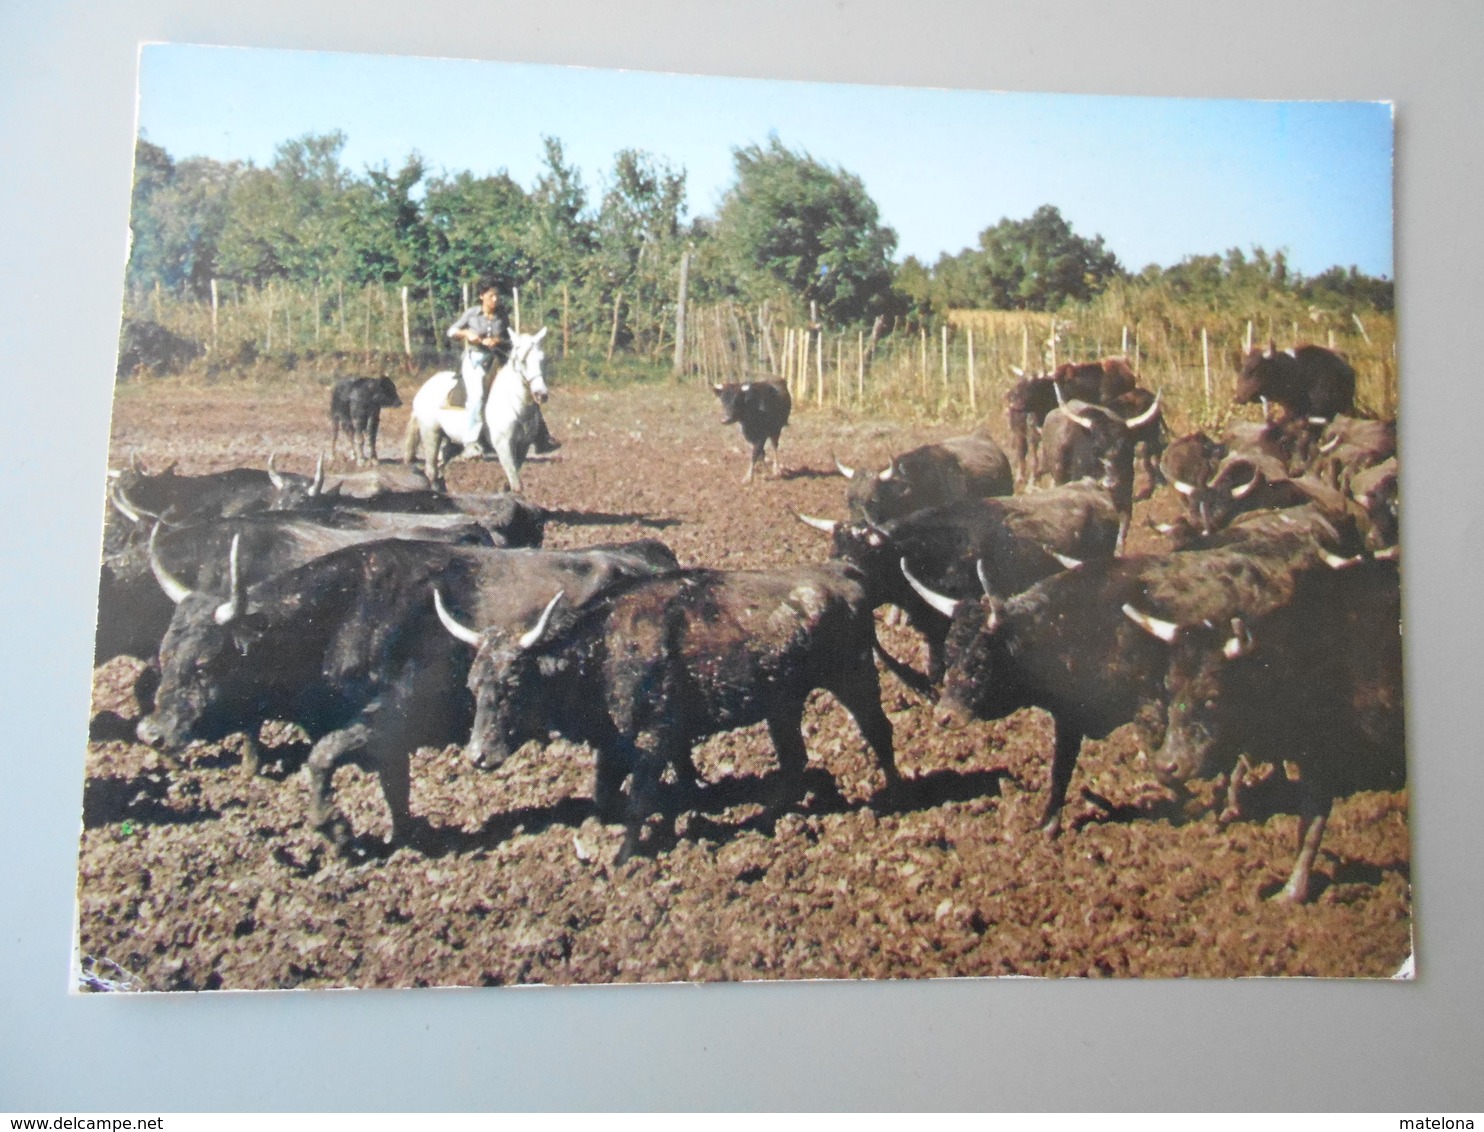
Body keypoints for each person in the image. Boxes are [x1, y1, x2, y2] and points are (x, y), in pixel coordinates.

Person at [446, 279, 560, 458]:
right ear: (482, 296)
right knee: (476, 396)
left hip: (497, 360)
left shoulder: (502, 316)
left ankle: (542, 437)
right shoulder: (472, 314)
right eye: (491, 296)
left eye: (497, 296)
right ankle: (470, 442)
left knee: (525, 389)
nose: (495, 300)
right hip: (475, 361)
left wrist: (497, 340)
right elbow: (451, 331)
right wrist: (468, 334)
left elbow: (508, 339)